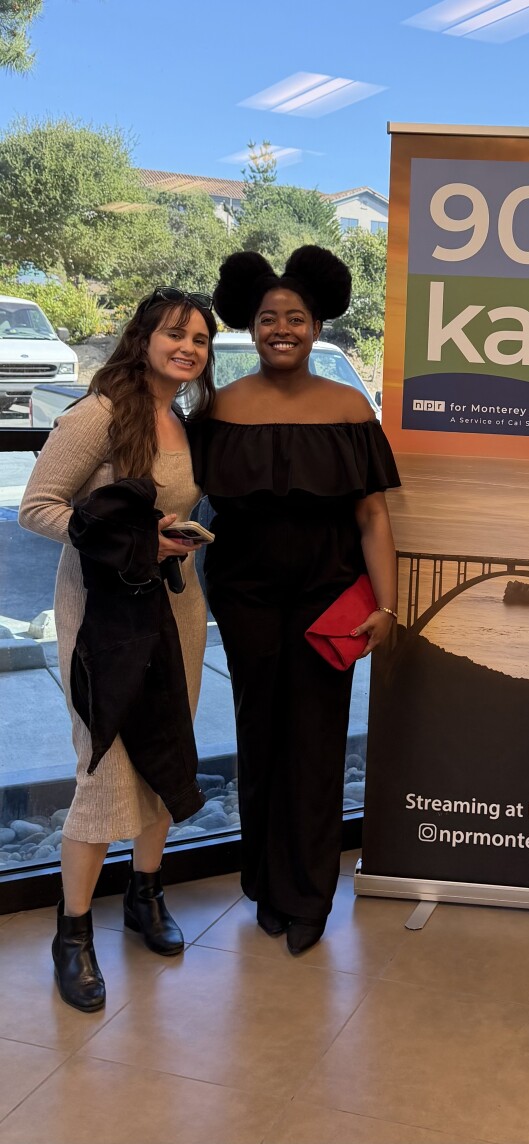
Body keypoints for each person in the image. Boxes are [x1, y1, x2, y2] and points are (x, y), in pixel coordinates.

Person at [191, 246, 399, 956]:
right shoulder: (218, 406)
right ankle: (264, 886)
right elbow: (182, 494)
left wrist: (387, 607)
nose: (283, 328)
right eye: (269, 318)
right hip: (243, 594)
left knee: (316, 739)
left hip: (329, 595)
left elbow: (372, 517)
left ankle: (307, 895)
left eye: (297, 318)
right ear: (250, 327)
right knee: (260, 734)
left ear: (318, 327)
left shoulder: (347, 407)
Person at [20, 288, 217, 1012]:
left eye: (199, 339)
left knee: (168, 747)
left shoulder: (183, 421)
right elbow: (37, 506)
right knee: (103, 764)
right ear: (143, 338)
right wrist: (139, 539)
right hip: (104, 617)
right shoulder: (98, 414)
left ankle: (144, 893)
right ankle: (72, 934)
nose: (188, 348)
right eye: (175, 334)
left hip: (175, 607)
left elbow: (170, 513)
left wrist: (178, 541)